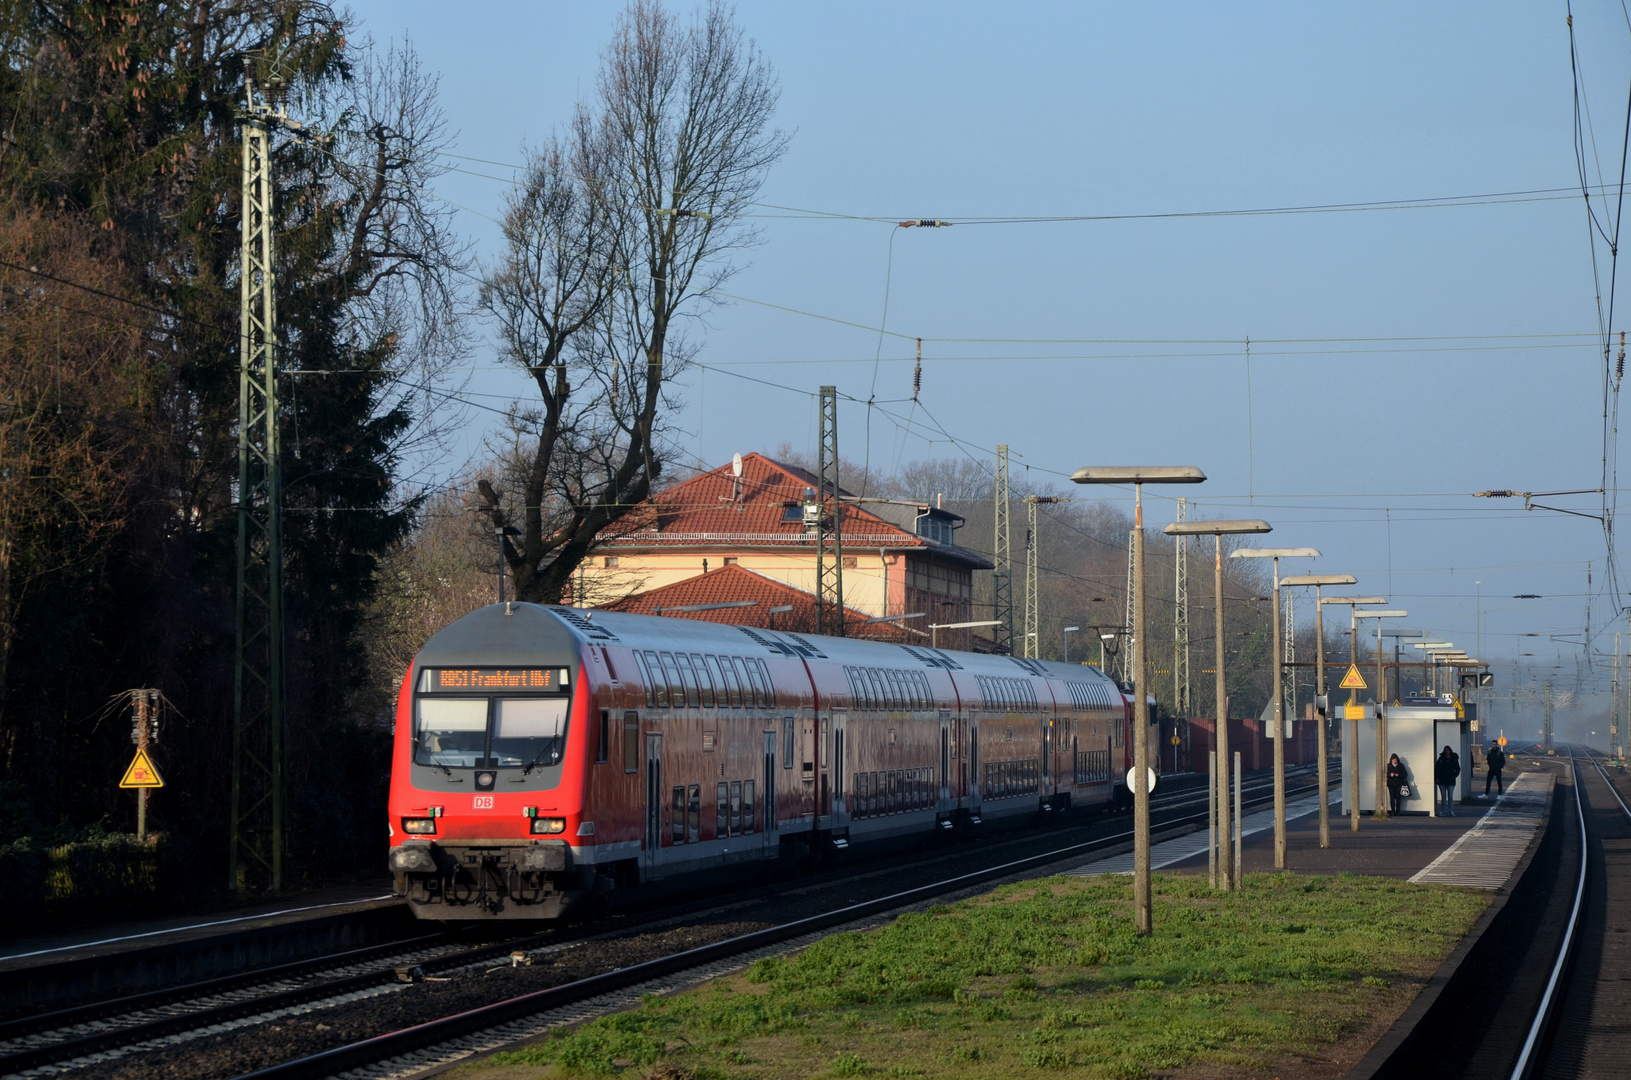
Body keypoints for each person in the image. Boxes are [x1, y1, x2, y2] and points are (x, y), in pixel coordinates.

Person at [1435, 745, 1461, 816]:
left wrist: (1454, 776)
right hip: (1442, 780)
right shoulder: (1441, 759)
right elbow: (1437, 768)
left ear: (1450, 751)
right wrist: (1437, 778)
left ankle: (1451, 811)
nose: (1447, 751)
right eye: (1446, 750)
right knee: (1443, 797)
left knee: (1450, 796)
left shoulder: (1454, 758)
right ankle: (1444, 811)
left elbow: (1458, 769)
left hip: (1450, 780)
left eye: (1448, 750)